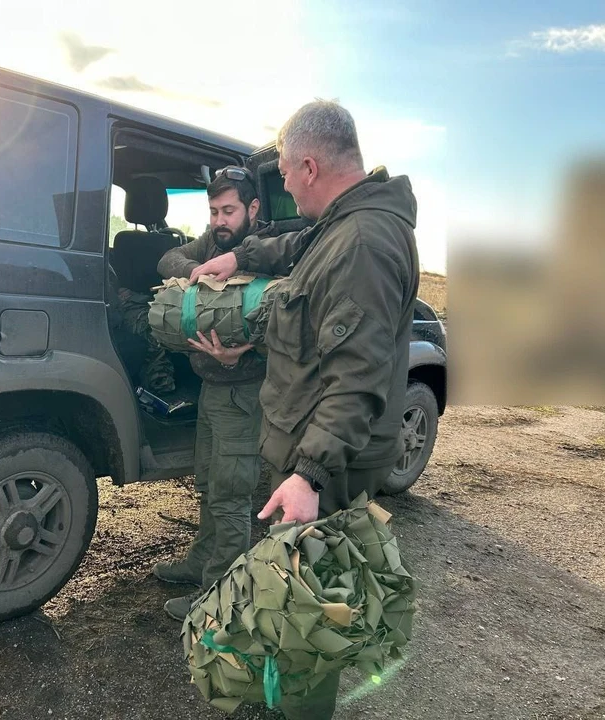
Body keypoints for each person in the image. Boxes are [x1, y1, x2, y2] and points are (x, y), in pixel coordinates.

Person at [189, 100, 420, 720]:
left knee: (309, 610)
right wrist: (239, 258)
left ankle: (296, 707)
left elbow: (357, 377)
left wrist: (310, 474)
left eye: (287, 173)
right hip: (310, 454)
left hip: (328, 468)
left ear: (311, 167)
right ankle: (280, 698)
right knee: (291, 601)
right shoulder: (343, 227)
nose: (284, 185)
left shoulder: (365, 242)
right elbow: (298, 251)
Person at [152, 166, 277, 621]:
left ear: (253, 209)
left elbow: (284, 330)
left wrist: (243, 355)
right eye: (213, 211)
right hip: (212, 388)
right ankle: (200, 563)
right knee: (207, 483)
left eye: (229, 210)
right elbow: (168, 260)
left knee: (231, 495)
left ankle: (219, 597)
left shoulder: (269, 252)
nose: (220, 220)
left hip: (244, 392)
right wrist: (202, 274)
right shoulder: (213, 243)